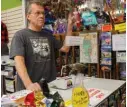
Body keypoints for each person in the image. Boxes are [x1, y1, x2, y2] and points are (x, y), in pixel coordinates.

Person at [10, 0, 74, 91]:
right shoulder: (20, 36)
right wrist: (29, 85)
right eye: (37, 13)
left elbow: (66, 48)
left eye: (43, 13)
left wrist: (70, 26)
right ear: (28, 16)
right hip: (30, 90)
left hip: (49, 88)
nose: (41, 16)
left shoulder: (48, 35)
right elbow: (19, 61)